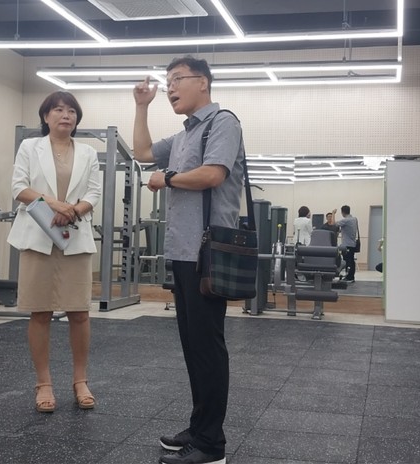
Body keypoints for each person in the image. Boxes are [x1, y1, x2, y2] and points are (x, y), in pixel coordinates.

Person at [133, 55, 244, 464]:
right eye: (168, 82)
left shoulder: (223, 123)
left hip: (207, 252)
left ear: (203, 82)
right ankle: (199, 428)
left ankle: (212, 444)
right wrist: (141, 106)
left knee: (208, 347)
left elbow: (213, 174)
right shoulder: (183, 135)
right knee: (193, 346)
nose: (171, 88)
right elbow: (143, 151)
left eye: (178, 79)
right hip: (182, 252)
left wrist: (167, 179)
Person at [6, 91, 101, 413]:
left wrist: (72, 211)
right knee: (40, 312)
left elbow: (94, 192)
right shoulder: (29, 147)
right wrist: (54, 204)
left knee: (80, 312)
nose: (66, 115)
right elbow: (19, 187)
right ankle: (43, 384)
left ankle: (80, 381)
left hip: (75, 236)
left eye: (72, 111)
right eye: (58, 109)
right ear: (46, 116)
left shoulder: (88, 152)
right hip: (37, 235)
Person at [334, 205, 359, 283]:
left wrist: (333, 213)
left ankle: (349, 277)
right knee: (351, 260)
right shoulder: (354, 219)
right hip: (352, 244)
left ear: (343, 212)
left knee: (348, 261)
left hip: (347, 244)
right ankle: (351, 276)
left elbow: (334, 224)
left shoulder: (346, 220)